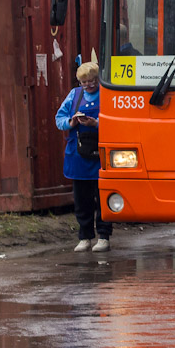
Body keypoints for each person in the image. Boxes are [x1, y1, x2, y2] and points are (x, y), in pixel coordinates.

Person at [55, 62, 111, 252]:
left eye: (92, 80)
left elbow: (115, 123)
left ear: (98, 79)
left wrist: (96, 123)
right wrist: (71, 121)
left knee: (102, 199)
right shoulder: (74, 95)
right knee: (82, 200)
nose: (88, 85)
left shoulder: (107, 94)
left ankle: (104, 237)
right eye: (84, 82)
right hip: (78, 156)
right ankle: (85, 237)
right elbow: (58, 119)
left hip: (101, 154)